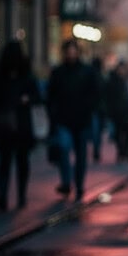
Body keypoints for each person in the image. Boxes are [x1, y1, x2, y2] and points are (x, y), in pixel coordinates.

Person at [0, 41, 40, 210]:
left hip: (10, 126)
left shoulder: (4, 76)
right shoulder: (24, 76)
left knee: (7, 161)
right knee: (17, 161)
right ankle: (15, 196)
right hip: (13, 125)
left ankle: (8, 195)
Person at [47, 40, 99, 201]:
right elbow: (51, 95)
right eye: (68, 51)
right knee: (63, 150)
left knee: (81, 155)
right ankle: (66, 181)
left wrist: (88, 108)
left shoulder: (87, 72)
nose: (70, 54)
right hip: (63, 119)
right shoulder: (58, 72)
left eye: (73, 51)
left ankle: (79, 184)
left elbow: (95, 92)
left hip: (81, 120)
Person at [105, 60, 128, 163]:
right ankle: (121, 152)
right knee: (118, 134)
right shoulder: (113, 81)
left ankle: (126, 153)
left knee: (127, 134)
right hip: (117, 113)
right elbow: (109, 98)